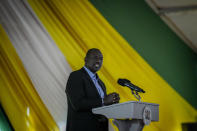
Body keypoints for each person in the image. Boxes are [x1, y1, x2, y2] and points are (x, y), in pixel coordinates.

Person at [66, 48, 120, 131]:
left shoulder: (101, 83)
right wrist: (104, 101)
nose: (98, 61)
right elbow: (77, 103)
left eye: (101, 59)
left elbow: (101, 106)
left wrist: (111, 102)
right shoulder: (76, 76)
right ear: (86, 59)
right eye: (95, 57)